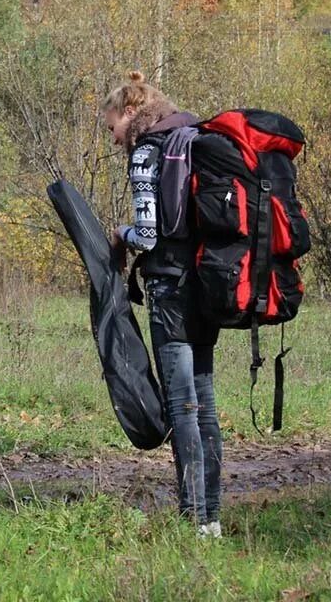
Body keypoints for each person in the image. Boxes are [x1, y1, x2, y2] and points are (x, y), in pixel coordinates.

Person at [103, 71, 222, 538]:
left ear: (130, 111)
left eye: (111, 125)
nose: (113, 138)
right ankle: (210, 516)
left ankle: (192, 516)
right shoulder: (190, 138)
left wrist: (120, 234)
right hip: (206, 286)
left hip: (170, 291)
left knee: (183, 407)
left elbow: (149, 235)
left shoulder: (147, 151)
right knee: (205, 403)